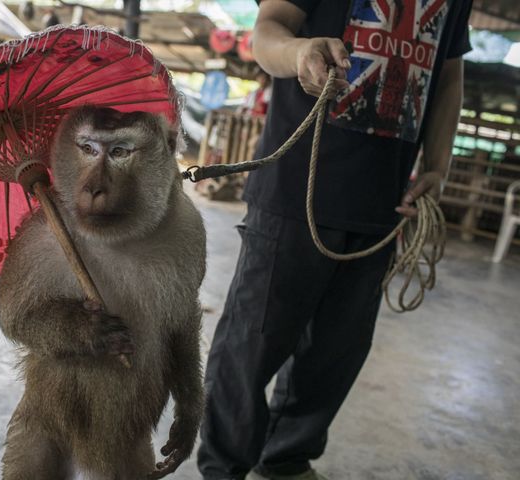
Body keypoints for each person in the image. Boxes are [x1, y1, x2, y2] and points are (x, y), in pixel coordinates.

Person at [197, 1, 473, 479]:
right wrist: (299, 50)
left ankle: (285, 459)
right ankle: (223, 467)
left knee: (335, 354)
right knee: (252, 344)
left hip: (383, 203)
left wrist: (436, 166)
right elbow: (267, 32)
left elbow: (448, 75)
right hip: (295, 189)